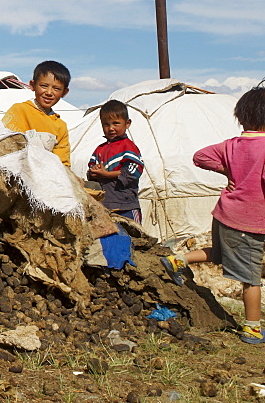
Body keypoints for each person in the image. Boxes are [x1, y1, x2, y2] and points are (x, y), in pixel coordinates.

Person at [161, 87, 265, 344]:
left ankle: (178, 260)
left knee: (219, 253)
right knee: (251, 278)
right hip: (248, 221)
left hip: (224, 214)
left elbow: (200, 156)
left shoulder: (231, 144)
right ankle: (252, 328)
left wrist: (228, 172)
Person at [2, 60, 73, 166]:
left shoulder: (60, 126)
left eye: (56, 88)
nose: (49, 92)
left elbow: (62, 163)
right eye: (44, 86)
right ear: (32, 85)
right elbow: (5, 145)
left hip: (47, 175)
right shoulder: (19, 111)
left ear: (64, 92)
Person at [87, 99, 144, 222]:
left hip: (126, 206)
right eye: (106, 124)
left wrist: (106, 174)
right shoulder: (100, 149)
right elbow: (91, 171)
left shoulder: (128, 147)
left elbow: (132, 172)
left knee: (133, 238)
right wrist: (93, 171)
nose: (111, 128)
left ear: (127, 123)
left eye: (116, 123)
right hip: (104, 207)